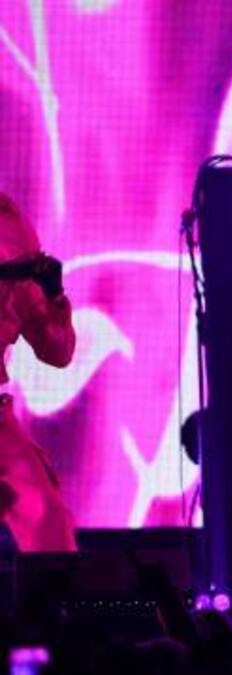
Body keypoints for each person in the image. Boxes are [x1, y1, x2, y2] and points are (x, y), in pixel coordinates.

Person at [0, 192, 77, 552]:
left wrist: (54, 295)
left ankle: (53, 588)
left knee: (48, 518)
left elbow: (58, 351)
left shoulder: (12, 231)